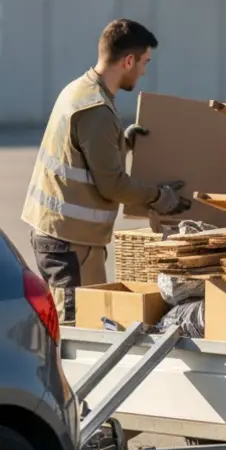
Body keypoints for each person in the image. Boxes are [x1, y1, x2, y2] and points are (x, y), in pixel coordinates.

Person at [22, 18, 191, 325]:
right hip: (67, 243)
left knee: (89, 325)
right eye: (143, 62)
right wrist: (159, 197)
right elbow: (112, 185)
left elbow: (83, 156)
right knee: (75, 331)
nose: (143, 71)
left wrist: (123, 143)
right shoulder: (96, 110)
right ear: (128, 60)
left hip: (67, 237)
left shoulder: (81, 90)